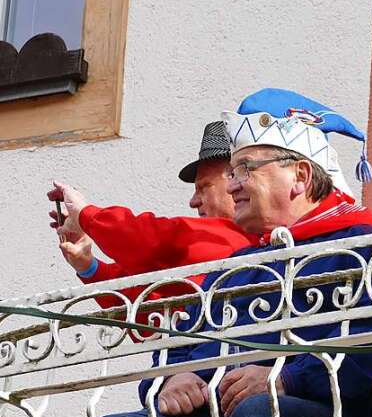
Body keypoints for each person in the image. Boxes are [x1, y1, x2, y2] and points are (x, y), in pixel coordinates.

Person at [76, 89, 372, 417]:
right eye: (233, 172)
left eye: (245, 169)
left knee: (259, 414)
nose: (233, 184)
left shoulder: (364, 248)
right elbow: (182, 340)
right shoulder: (238, 264)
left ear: (299, 176)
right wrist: (173, 378)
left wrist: (285, 378)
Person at [48, 121, 254, 309]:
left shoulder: (236, 239)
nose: (193, 201)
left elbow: (157, 241)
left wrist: (86, 213)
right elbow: (150, 308)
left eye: (203, 187)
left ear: (235, 179)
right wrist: (89, 266)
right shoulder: (230, 245)